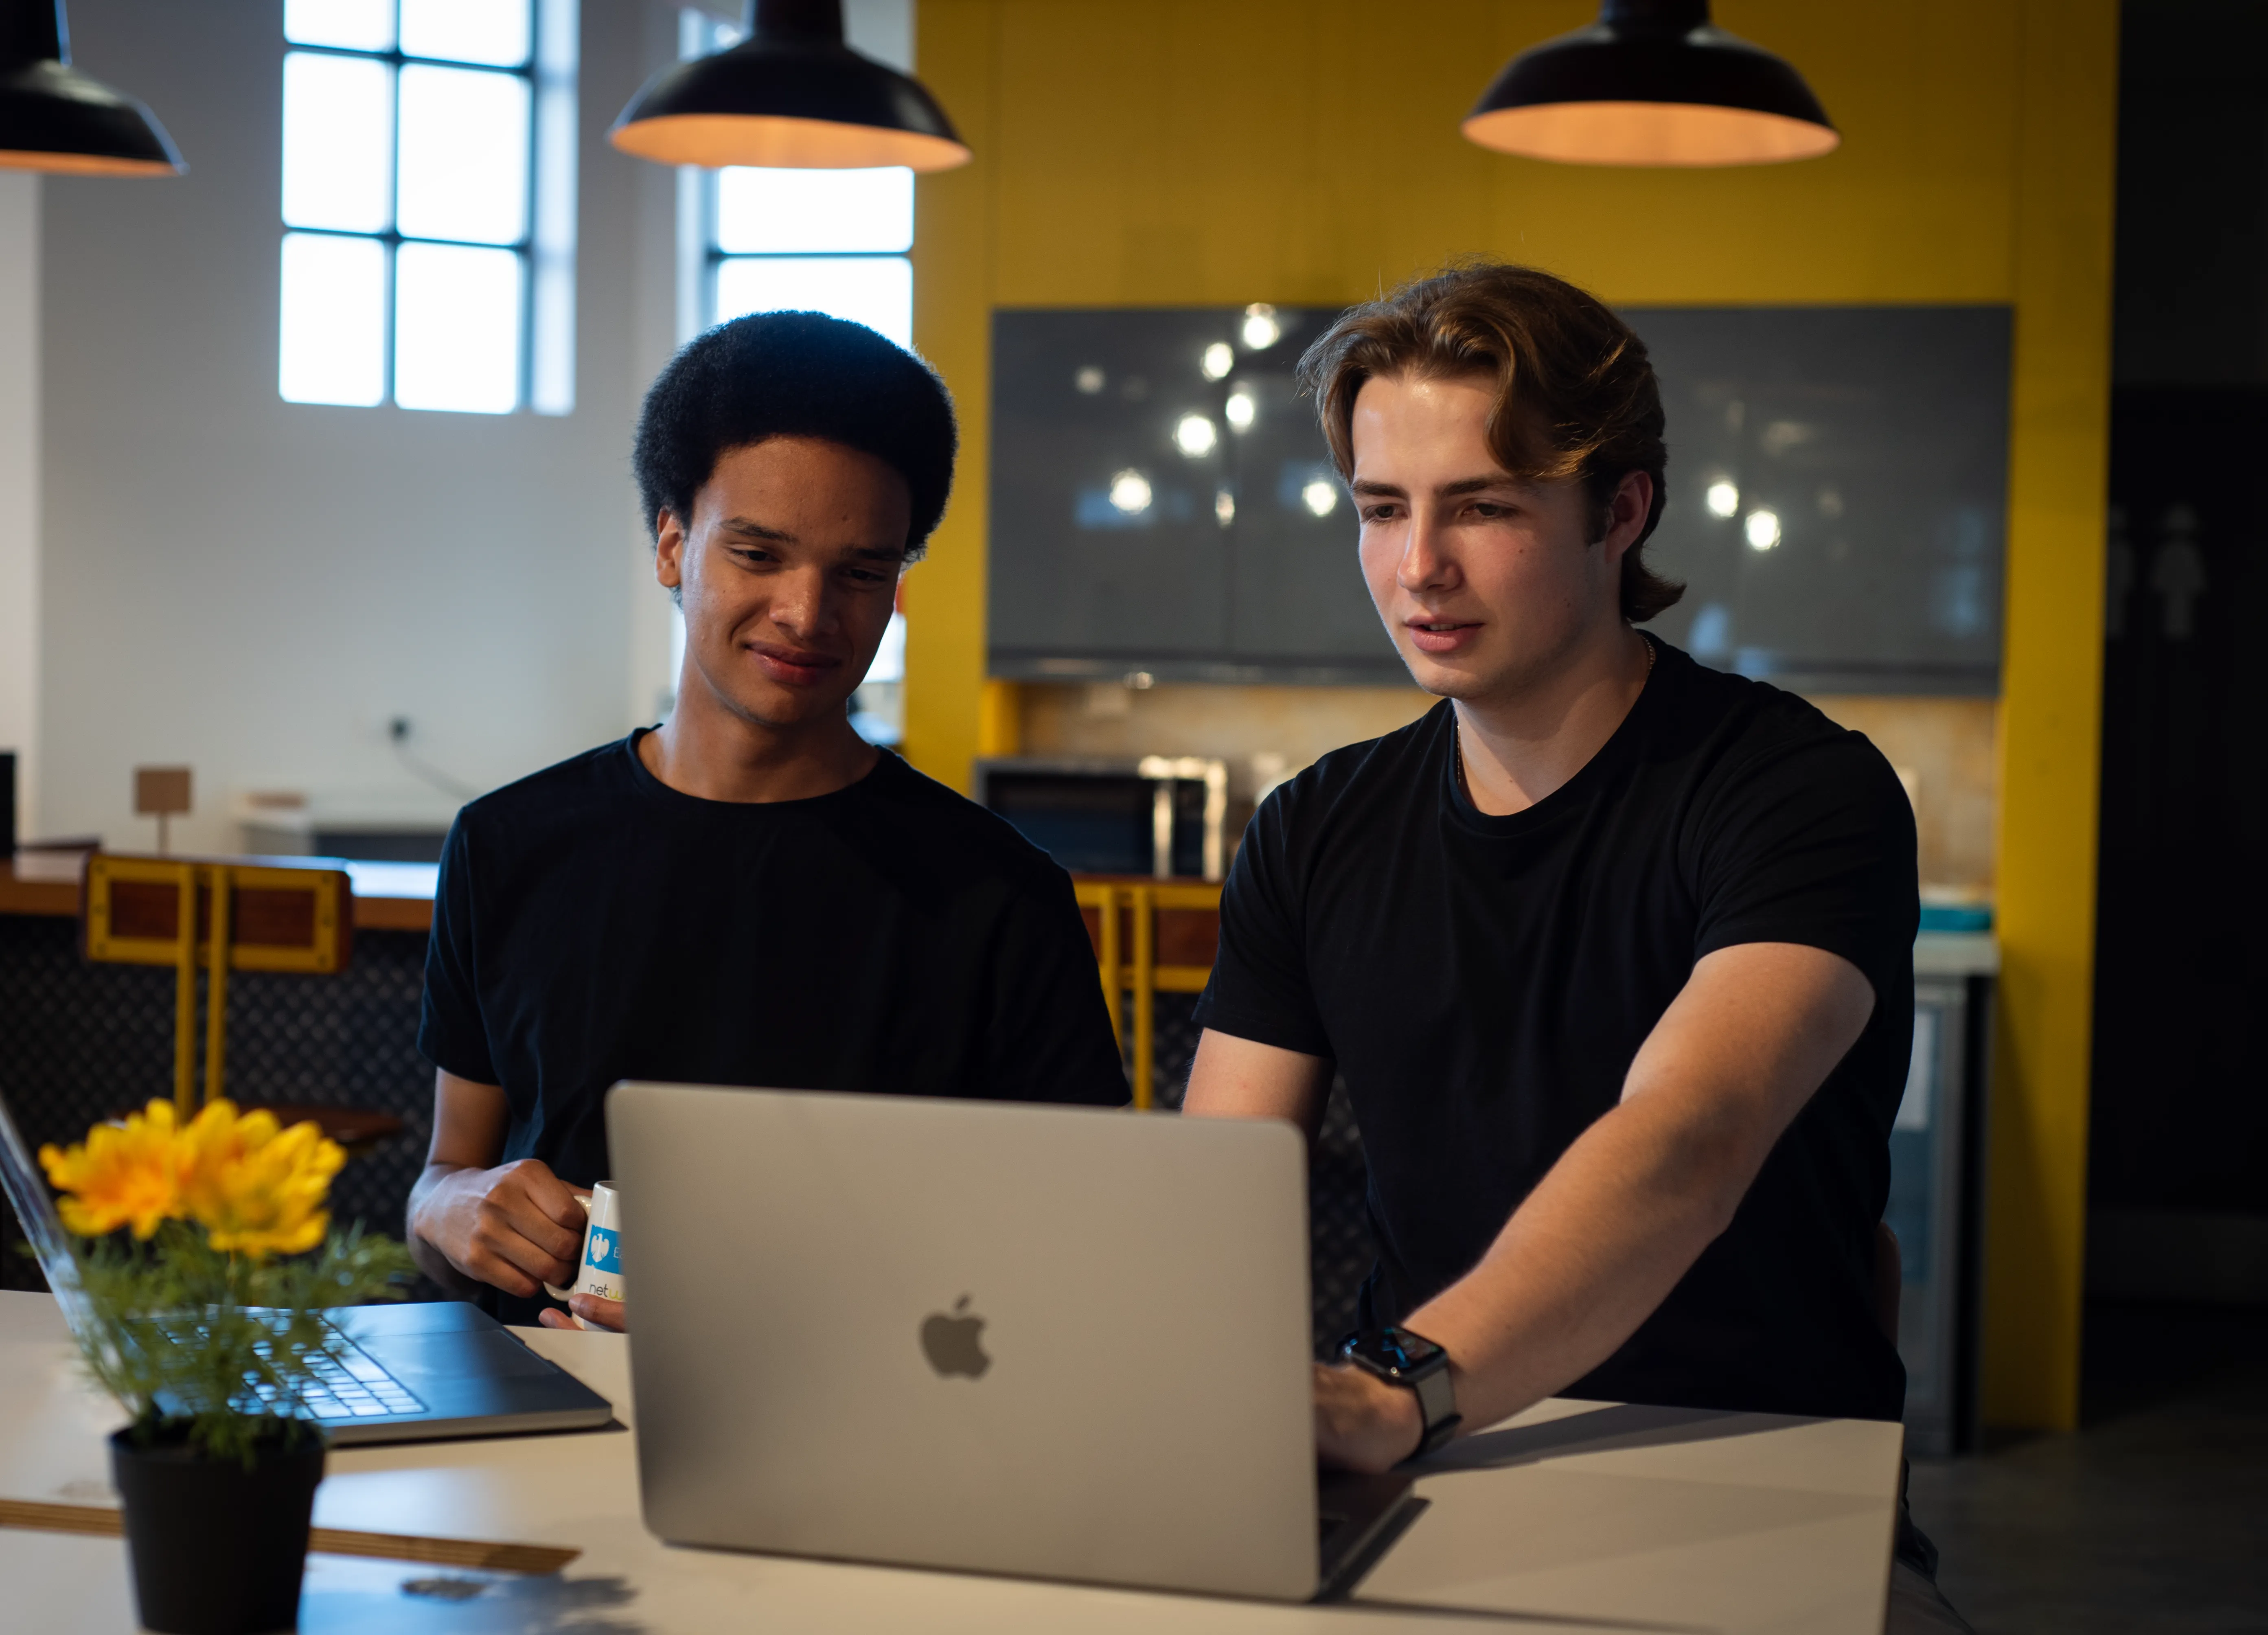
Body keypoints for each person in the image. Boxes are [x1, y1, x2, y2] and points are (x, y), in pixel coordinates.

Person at [1183, 264, 1968, 1631]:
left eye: (1482, 506)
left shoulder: (1795, 792)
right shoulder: (1314, 828)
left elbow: (1689, 1135)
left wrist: (1401, 1385)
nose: (1419, 564)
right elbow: (1209, 1194)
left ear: (1621, 510)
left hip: (1752, 1474)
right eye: (1383, 509)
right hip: (1431, 1465)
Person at [408, 312, 1129, 1333]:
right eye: (758, 552)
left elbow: (1078, 1239)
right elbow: (444, 1173)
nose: (807, 611)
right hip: (534, 1400)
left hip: (850, 1421)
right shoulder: (507, 845)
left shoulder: (996, 895)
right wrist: (450, 1208)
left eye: (862, 572)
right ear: (671, 544)